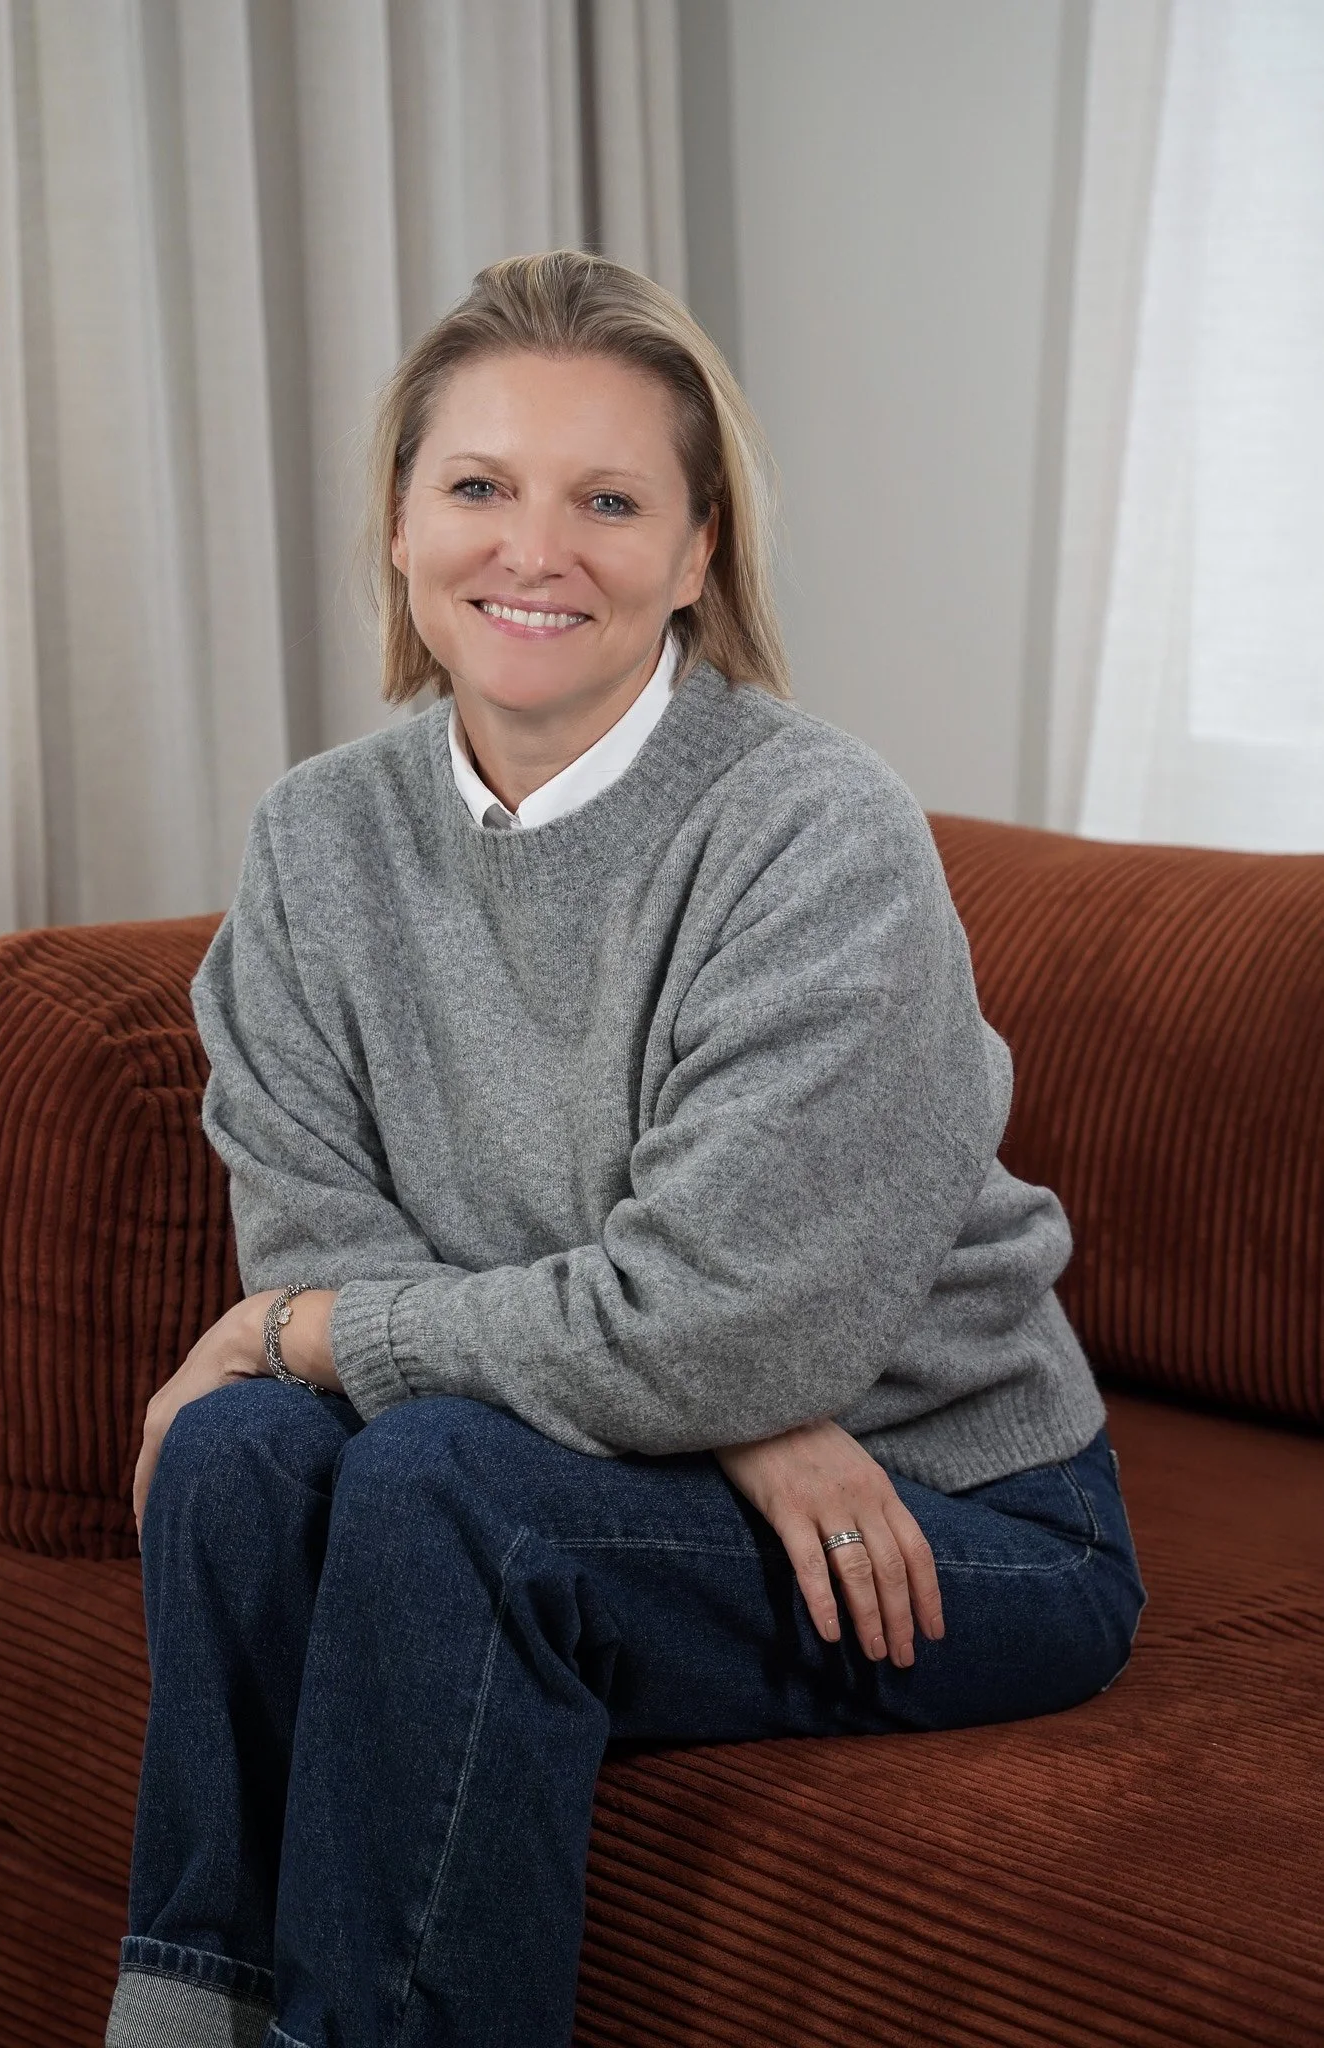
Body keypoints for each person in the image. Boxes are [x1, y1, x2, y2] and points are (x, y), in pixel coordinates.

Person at [104, 248, 1146, 2048]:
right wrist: (709, 1398)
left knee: (430, 1480)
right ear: (404, 521)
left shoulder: (812, 830)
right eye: (478, 486)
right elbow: (321, 1246)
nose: (534, 548)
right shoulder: (315, 842)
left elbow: (711, 1320)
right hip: (702, 1444)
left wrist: (708, 1371)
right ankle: (186, 2015)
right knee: (241, 1456)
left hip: (942, 1512)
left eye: (606, 499)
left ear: (694, 551)